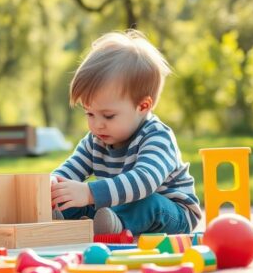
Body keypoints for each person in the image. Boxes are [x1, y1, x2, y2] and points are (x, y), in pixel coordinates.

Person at [50, 30, 201, 235]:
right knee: (69, 194)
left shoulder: (157, 136)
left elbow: (145, 181)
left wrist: (89, 192)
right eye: (89, 114)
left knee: (147, 202)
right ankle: (70, 218)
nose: (97, 125)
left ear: (143, 106)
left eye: (108, 116)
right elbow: (70, 169)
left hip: (172, 213)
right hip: (114, 208)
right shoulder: (95, 141)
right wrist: (53, 184)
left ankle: (112, 225)